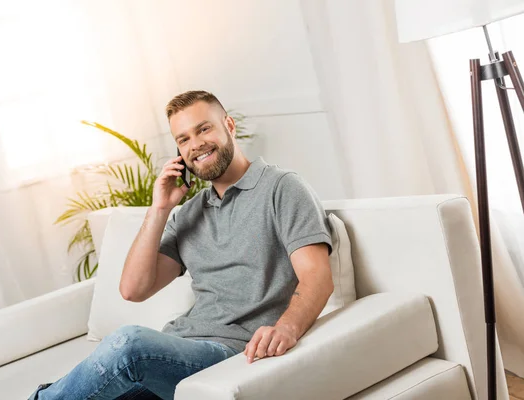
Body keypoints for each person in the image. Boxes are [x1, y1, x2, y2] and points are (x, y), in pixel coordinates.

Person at [29, 91, 334, 400]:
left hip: (232, 353)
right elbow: (133, 289)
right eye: (184, 139)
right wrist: (159, 208)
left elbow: (317, 277)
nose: (196, 144)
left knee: (128, 343)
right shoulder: (189, 213)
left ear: (229, 125)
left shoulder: (283, 188)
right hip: (177, 356)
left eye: (204, 129)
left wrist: (286, 329)